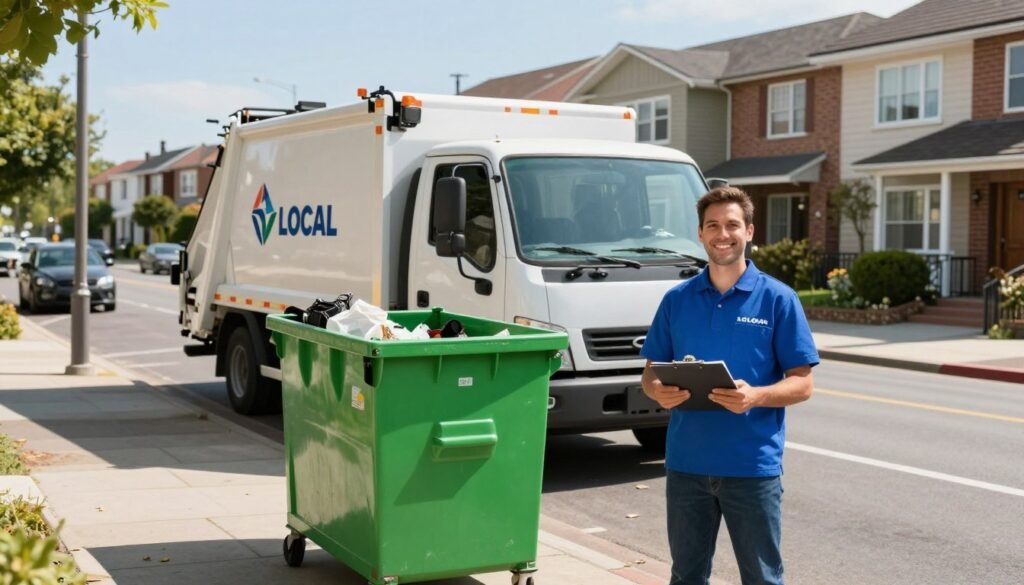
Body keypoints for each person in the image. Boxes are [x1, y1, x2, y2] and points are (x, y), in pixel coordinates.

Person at [639, 187, 818, 585]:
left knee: (762, 579)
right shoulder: (677, 300)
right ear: (700, 234)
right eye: (713, 225)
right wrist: (656, 390)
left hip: (751, 468)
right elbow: (650, 373)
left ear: (750, 231)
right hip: (687, 466)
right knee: (686, 577)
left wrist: (756, 395)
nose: (723, 234)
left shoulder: (779, 299)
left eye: (733, 225)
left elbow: (803, 384)